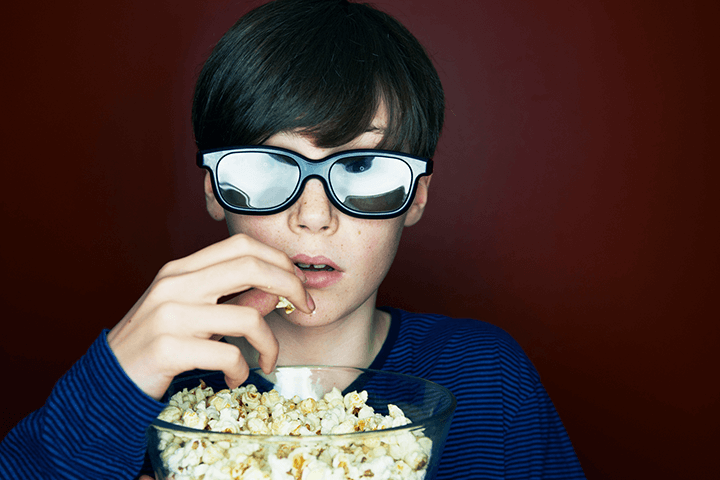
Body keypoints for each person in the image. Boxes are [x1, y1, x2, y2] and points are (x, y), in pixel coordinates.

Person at [0, 0, 585, 478]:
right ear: (212, 187)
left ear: (418, 196)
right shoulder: (147, 386)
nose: (313, 216)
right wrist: (109, 383)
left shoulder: (488, 377)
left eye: (361, 168)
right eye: (269, 165)